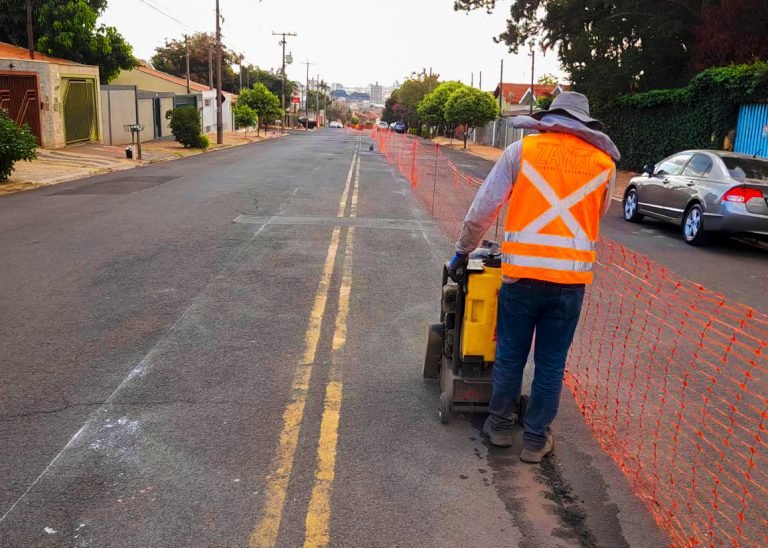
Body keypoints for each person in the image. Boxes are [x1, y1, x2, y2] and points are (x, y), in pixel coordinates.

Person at [447, 92, 621, 463]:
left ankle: (498, 426)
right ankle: (536, 439)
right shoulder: (604, 165)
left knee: (510, 355)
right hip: (570, 284)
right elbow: (598, 213)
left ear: (550, 118)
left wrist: (463, 250)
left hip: (521, 278)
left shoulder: (522, 152)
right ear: (585, 125)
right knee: (551, 362)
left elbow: (484, 207)